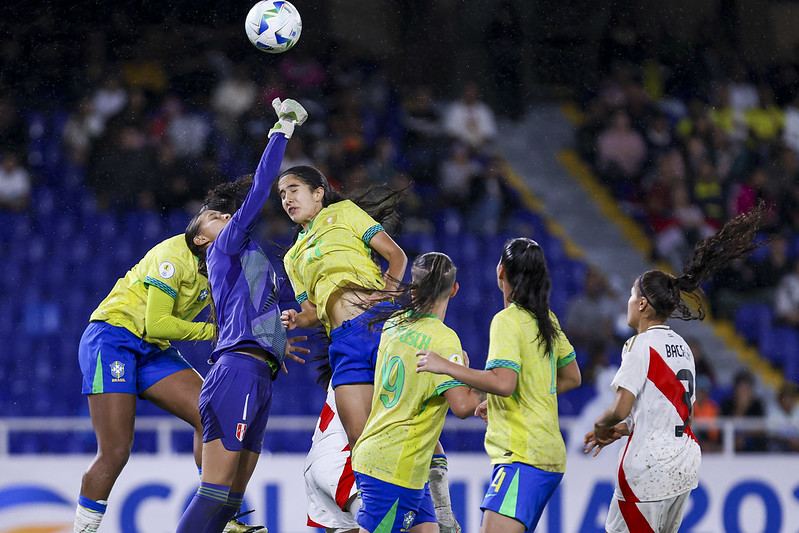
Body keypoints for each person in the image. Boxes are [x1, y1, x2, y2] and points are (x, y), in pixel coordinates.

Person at [583, 203, 768, 533]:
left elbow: (621, 407)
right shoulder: (683, 348)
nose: (627, 302)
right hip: (683, 463)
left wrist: (601, 426)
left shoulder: (640, 345)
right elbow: (681, 416)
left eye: (630, 295)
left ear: (642, 304)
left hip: (649, 468)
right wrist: (625, 429)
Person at [416, 238, 582, 533]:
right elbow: (571, 377)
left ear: (500, 272)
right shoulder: (546, 319)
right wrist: (498, 400)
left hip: (523, 456)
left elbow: (503, 383)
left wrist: (446, 365)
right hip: (545, 453)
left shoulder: (507, 321)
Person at [74, 212, 215, 532]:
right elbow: (158, 323)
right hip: (113, 338)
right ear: (201, 238)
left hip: (152, 348)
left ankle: (218, 516)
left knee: (211, 411)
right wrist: (212, 333)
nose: (226, 218)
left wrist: (272, 343)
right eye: (217, 215)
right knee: (115, 451)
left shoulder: (224, 267)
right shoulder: (173, 257)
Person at [352, 252, 483, 533]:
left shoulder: (393, 325)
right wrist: (488, 384)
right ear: (455, 289)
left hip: (392, 459)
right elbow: (462, 407)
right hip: (394, 467)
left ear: (413, 286)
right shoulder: (444, 339)